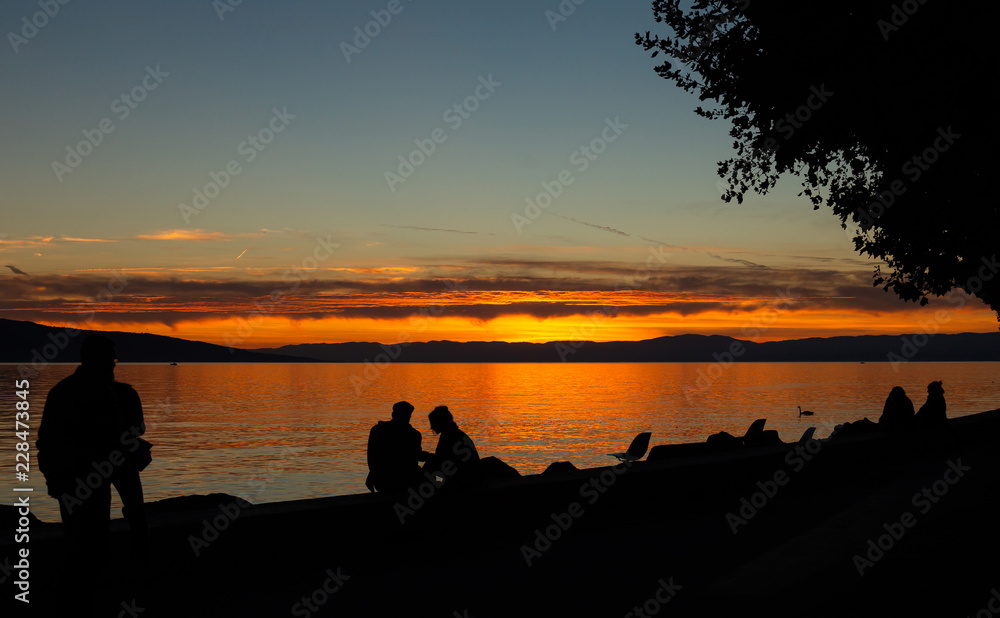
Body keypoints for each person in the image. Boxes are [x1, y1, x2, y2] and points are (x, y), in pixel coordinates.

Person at [36, 335, 150, 609]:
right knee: (92, 546)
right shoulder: (105, 394)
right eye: (110, 360)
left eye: (114, 360)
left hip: (75, 476)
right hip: (86, 476)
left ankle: (78, 600)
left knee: (82, 543)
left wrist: (51, 476)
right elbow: (51, 441)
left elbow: (45, 441)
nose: (113, 365)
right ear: (95, 360)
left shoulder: (62, 391)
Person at [366, 401, 424, 493]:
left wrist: (372, 475)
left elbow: (372, 457)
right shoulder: (414, 434)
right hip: (404, 480)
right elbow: (416, 456)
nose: (405, 419)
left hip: (383, 480)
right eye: (405, 416)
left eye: (407, 416)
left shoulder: (377, 430)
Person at [422, 406, 480, 489]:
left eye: (433, 423)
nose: (431, 427)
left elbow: (441, 459)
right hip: (467, 473)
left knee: (428, 466)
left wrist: (425, 456)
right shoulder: (453, 433)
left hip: (464, 476)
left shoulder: (449, 436)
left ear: (440, 422)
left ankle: (430, 490)